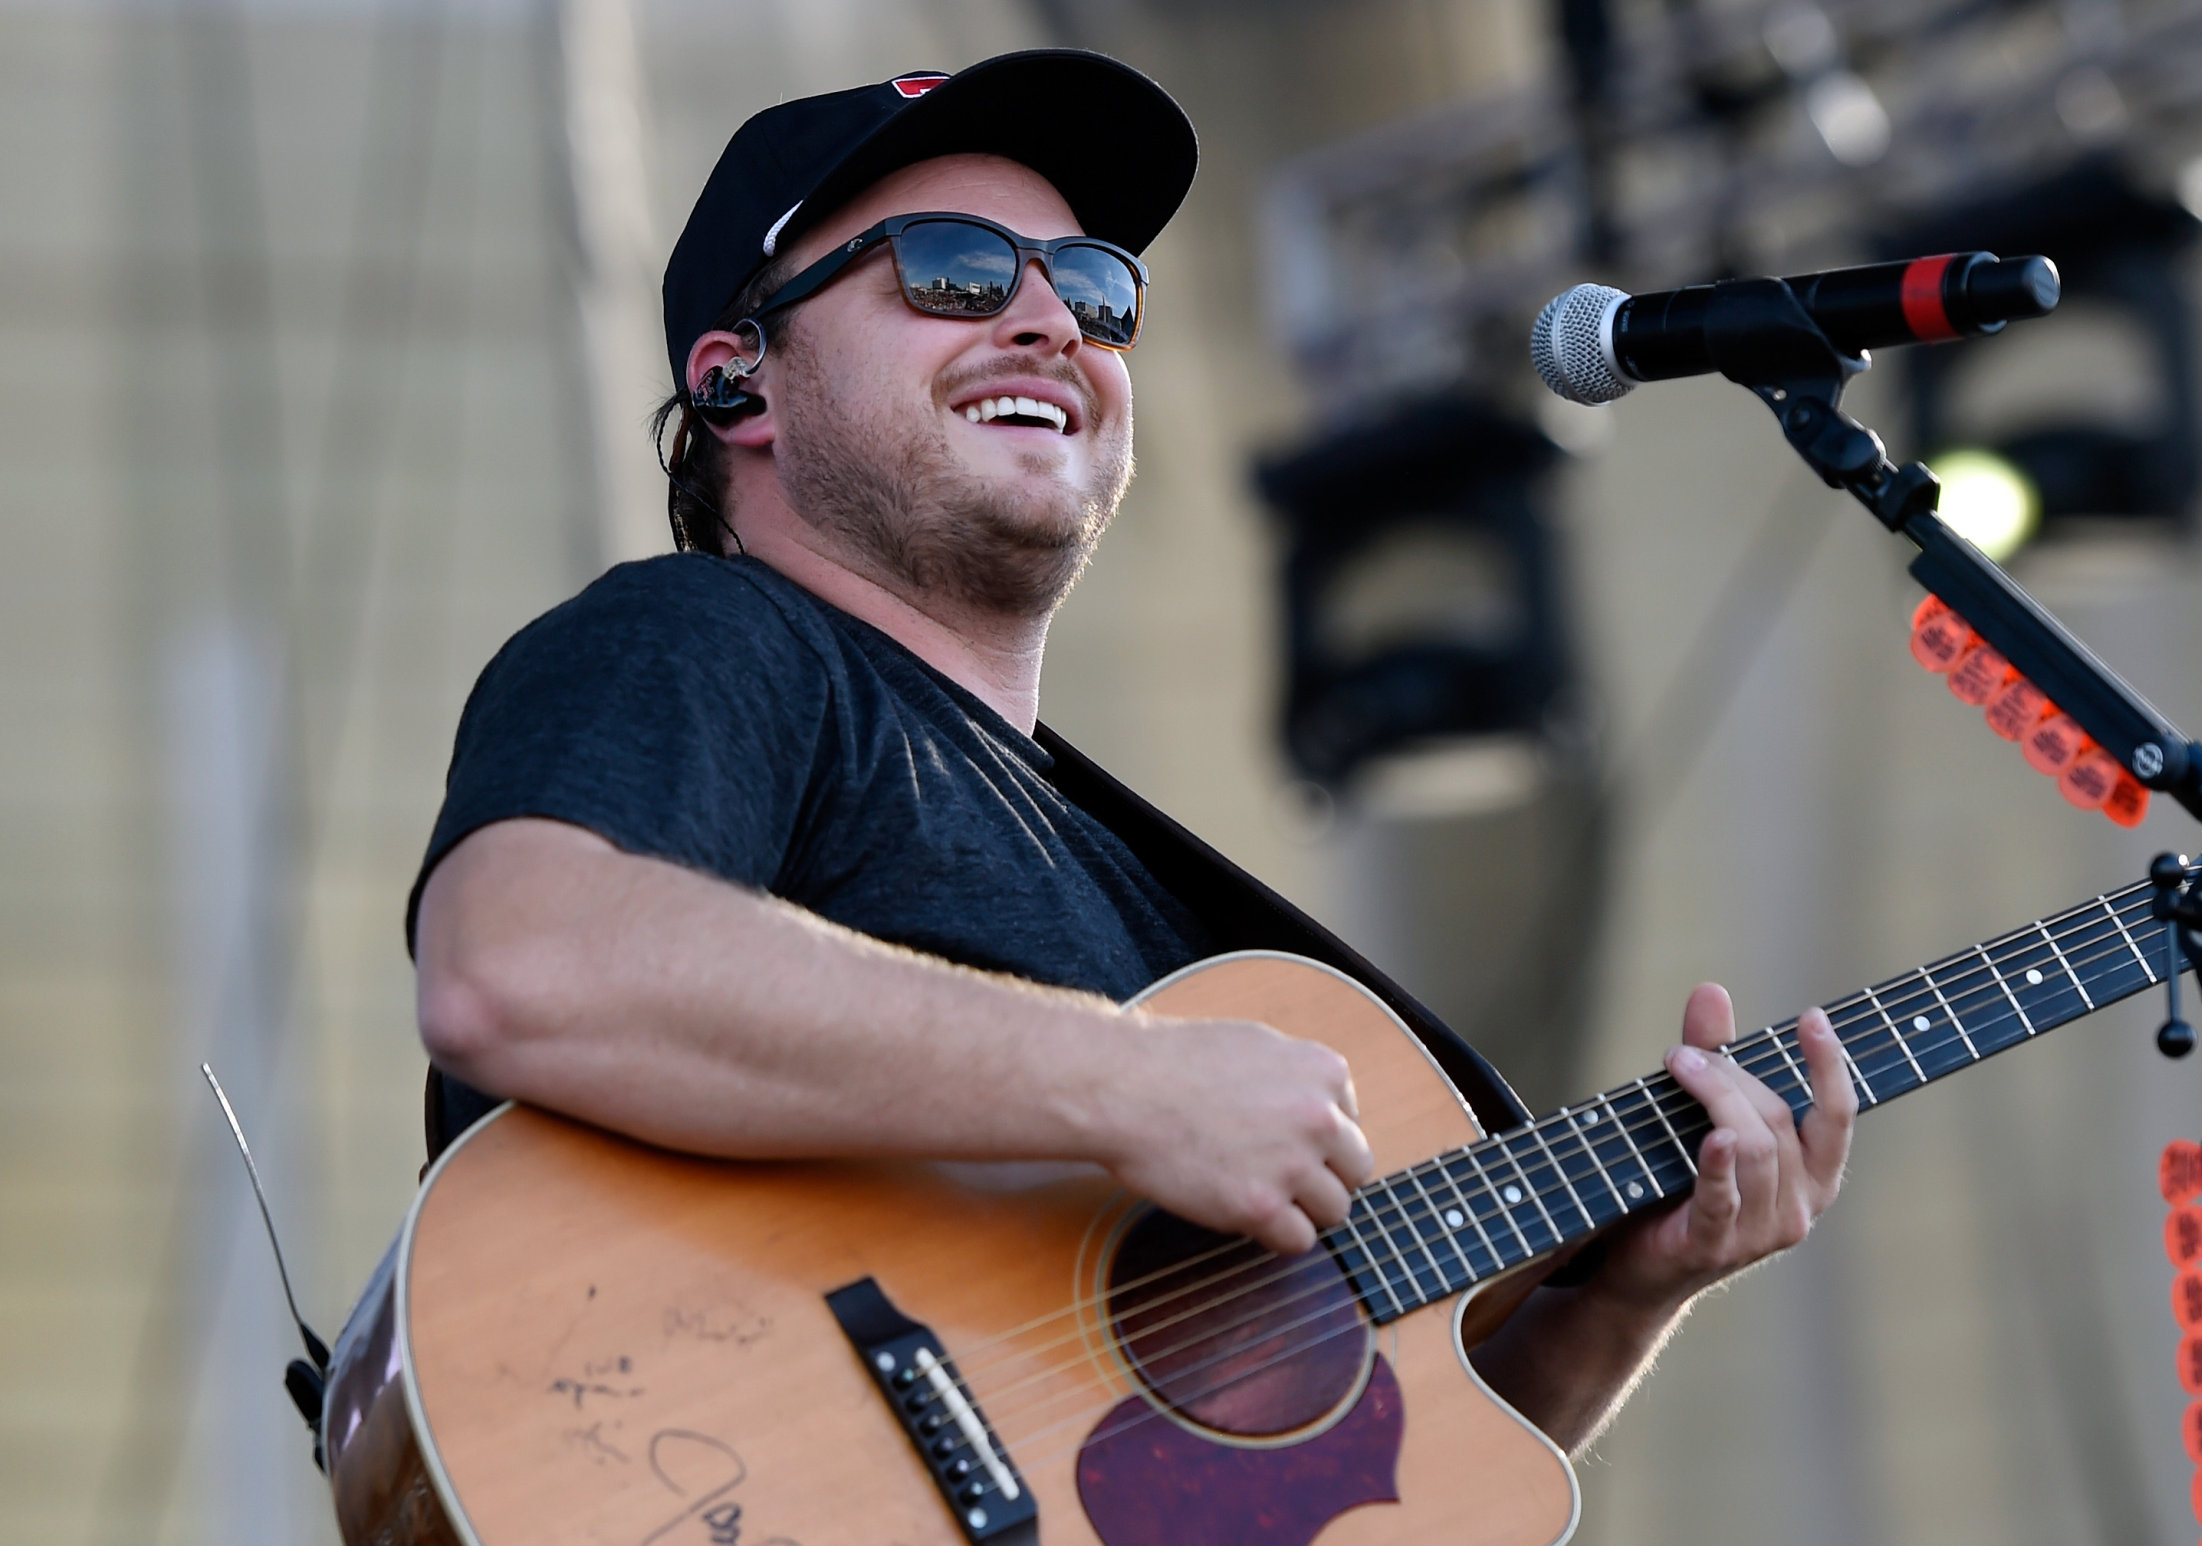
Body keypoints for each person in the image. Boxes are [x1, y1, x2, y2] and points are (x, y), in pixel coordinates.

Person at [408, 49, 1855, 1459]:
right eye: (953, 272)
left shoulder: (1135, 898)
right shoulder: (711, 639)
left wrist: (1628, 1292)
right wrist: (1129, 1082)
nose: (1053, 324)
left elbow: (1293, 1489)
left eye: (1093, 288)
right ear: (741, 385)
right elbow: (521, 960)